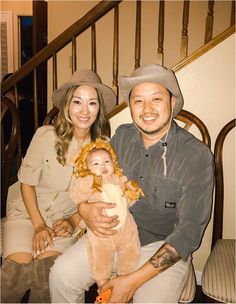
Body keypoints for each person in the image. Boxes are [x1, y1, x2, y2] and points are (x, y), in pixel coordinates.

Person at [49, 64, 214, 303]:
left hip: (161, 247)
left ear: (172, 101)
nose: (147, 109)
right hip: (112, 233)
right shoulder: (121, 137)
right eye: (138, 101)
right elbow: (96, 182)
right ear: (130, 105)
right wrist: (83, 211)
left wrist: (132, 281)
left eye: (156, 98)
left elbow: (189, 233)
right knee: (61, 275)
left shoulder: (196, 156)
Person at [1, 69, 116, 303]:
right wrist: (38, 225)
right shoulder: (44, 136)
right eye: (77, 102)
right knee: (15, 275)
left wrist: (73, 221)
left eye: (92, 103)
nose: (84, 111)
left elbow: (97, 196)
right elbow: (26, 184)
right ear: (67, 105)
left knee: (47, 275)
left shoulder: (103, 148)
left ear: (99, 109)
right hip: (27, 214)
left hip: (64, 220)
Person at [70, 138, 143, 289]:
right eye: (95, 163)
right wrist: (88, 180)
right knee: (100, 257)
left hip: (125, 228)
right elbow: (77, 196)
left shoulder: (119, 179)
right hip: (102, 232)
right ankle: (103, 286)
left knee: (131, 252)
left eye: (106, 161)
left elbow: (126, 203)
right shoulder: (90, 181)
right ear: (87, 167)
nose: (102, 166)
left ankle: (123, 280)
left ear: (113, 162)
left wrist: (132, 192)